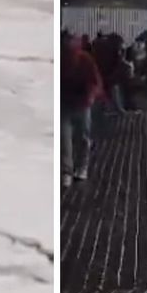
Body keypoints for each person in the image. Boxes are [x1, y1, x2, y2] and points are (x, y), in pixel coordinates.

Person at [61, 32, 102, 188]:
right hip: (66, 103)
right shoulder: (63, 60)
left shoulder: (85, 60)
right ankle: (67, 171)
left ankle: (82, 167)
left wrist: (90, 96)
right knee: (65, 139)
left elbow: (94, 81)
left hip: (82, 103)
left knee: (83, 137)